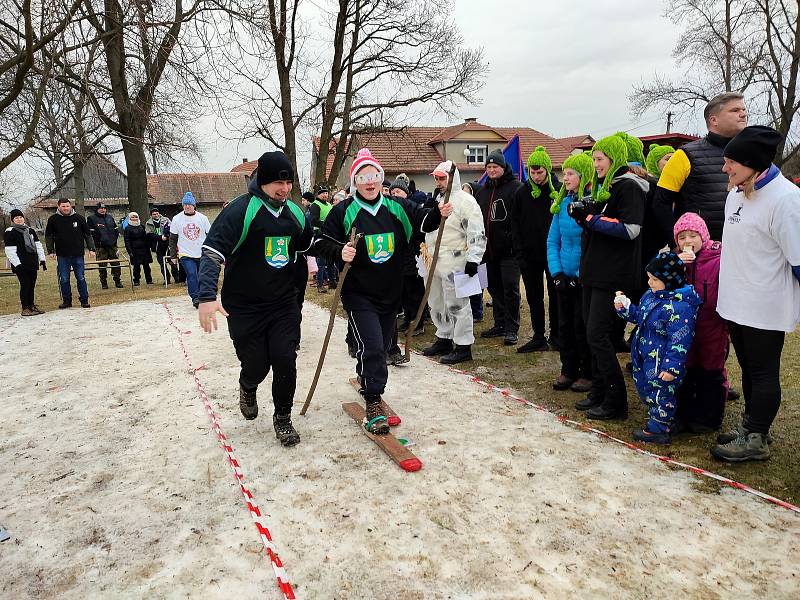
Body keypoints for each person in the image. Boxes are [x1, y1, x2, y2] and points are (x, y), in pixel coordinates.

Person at [315, 148, 451, 434]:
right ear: (355, 181)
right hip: (358, 293)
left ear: (381, 178)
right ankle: (374, 399)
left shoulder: (395, 206)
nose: (369, 182)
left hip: (390, 292)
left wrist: (438, 214)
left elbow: (423, 221)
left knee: (378, 344)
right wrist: (341, 251)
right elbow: (321, 242)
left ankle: (366, 374)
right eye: (363, 177)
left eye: (374, 176)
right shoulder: (344, 211)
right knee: (375, 347)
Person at [197, 151, 313, 447]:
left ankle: (283, 418)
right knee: (257, 365)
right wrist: (207, 296)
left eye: (288, 183)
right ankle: (248, 385)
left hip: (283, 304)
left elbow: (310, 246)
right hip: (245, 306)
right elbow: (212, 252)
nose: (285, 189)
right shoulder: (240, 211)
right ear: (262, 180)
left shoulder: (296, 213)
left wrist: (341, 252)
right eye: (278, 182)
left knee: (285, 359)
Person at [712, 125, 800, 462]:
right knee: (748, 368)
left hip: (766, 303)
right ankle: (752, 426)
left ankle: (757, 438)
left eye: (731, 162)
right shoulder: (737, 190)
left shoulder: (786, 199)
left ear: (754, 162)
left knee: (764, 372)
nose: (725, 168)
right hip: (736, 300)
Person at [568, 135, 646, 420]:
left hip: (612, 273)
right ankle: (600, 390)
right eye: (594, 159)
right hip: (594, 270)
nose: (596, 164)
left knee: (598, 335)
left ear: (614, 159)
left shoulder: (629, 186)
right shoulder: (606, 188)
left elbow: (630, 228)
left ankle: (616, 400)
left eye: (600, 159)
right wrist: (585, 213)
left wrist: (589, 219)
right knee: (591, 332)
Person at [614, 252, 700, 444]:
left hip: (662, 362)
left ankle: (659, 428)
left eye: (654, 279)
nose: (650, 282)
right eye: (649, 278)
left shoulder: (680, 307)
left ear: (669, 281)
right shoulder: (651, 296)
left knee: (661, 393)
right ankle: (667, 419)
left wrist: (671, 367)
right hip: (645, 355)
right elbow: (639, 317)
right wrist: (625, 308)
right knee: (647, 390)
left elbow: (680, 341)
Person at [653, 92, 748, 242]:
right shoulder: (684, 155)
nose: (743, 114)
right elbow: (660, 203)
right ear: (714, 120)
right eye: (735, 110)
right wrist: (676, 243)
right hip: (699, 253)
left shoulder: (750, 153)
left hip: (742, 247)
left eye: (743, 110)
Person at [420, 161, 486, 364]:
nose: (438, 182)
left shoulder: (466, 202)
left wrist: (474, 259)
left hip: (457, 261)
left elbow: (476, 232)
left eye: (442, 178)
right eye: (436, 178)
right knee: (437, 302)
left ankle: (464, 345)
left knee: (459, 304)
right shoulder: (436, 200)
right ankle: (444, 337)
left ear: (451, 178)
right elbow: (426, 227)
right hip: (433, 260)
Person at [672, 212, 729, 433]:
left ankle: (710, 417)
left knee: (711, 370)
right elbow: (656, 276)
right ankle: (683, 412)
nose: (688, 242)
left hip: (712, 324)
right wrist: (675, 264)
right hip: (683, 327)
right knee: (685, 368)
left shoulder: (717, 258)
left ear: (703, 236)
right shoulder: (674, 260)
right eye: (682, 237)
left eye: (693, 236)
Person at [547, 152, 593, 393]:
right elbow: (553, 241)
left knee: (582, 325)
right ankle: (568, 368)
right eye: (563, 173)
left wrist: (578, 274)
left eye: (570, 173)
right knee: (564, 325)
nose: (565, 178)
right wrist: (557, 273)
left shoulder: (592, 203)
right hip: (563, 276)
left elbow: (592, 243)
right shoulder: (562, 204)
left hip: (583, 277)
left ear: (583, 176)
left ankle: (587, 371)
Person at [512, 146, 560, 352]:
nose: (536, 176)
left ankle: (557, 335)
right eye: (533, 172)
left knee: (556, 296)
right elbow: (514, 224)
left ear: (548, 170)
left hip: (553, 254)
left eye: (540, 172)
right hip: (529, 255)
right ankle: (538, 335)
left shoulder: (558, 191)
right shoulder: (522, 193)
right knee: (534, 296)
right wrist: (519, 252)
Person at [475, 150, 524, 345]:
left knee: (510, 288)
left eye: (495, 167)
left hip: (509, 251)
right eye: (489, 167)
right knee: (494, 288)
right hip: (489, 250)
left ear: (503, 168)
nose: (492, 170)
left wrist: (513, 239)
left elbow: (521, 218)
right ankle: (500, 323)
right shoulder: (483, 190)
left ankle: (512, 328)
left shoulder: (516, 188)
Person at [45, 198, 96, 309]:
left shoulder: (79, 218)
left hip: (77, 254)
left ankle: (84, 300)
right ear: (58, 207)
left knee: (81, 277)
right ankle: (67, 301)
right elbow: (48, 236)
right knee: (64, 279)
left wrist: (91, 249)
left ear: (70, 206)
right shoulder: (53, 219)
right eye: (63, 206)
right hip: (62, 255)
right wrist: (50, 250)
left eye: (67, 206)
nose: (66, 208)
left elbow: (87, 235)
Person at [168, 192, 211, 307]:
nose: (187, 206)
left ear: (194, 205)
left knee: (202, 276)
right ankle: (195, 298)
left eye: (189, 204)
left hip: (201, 253)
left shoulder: (203, 218)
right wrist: (173, 256)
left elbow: (210, 236)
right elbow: (173, 239)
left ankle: (204, 296)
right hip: (185, 253)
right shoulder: (177, 219)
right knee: (192, 274)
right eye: (185, 204)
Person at [4, 209, 47, 316]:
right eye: (16, 218)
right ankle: (25, 307)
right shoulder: (10, 232)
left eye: (20, 217)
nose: (19, 219)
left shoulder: (30, 230)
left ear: (24, 218)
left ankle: (32, 305)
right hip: (20, 263)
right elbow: (10, 250)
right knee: (25, 284)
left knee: (32, 284)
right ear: (13, 220)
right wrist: (17, 264)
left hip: (32, 262)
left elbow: (38, 245)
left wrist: (42, 259)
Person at [87, 202, 123, 289]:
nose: (103, 210)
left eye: (104, 208)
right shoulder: (91, 218)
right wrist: (98, 242)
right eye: (101, 208)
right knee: (102, 266)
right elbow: (91, 234)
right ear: (97, 209)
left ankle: (117, 281)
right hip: (101, 247)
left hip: (112, 246)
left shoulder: (110, 217)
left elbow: (115, 229)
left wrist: (114, 240)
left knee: (116, 264)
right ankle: (104, 283)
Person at [309, 185, 338, 293]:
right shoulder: (315, 205)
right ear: (318, 194)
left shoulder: (330, 205)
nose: (325, 195)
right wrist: (326, 224)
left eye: (326, 193)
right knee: (321, 261)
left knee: (331, 259)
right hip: (319, 233)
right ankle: (320, 284)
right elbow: (313, 220)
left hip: (329, 234)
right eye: (323, 193)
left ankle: (332, 282)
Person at [146, 207, 177, 284]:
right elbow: (149, 234)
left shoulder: (166, 219)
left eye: (157, 213)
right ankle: (167, 279)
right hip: (157, 245)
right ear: (151, 215)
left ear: (159, 213)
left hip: (167, 244)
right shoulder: (148, 223)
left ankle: (177, 277)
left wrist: (167, 236)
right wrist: (160, 237)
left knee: (172, 261)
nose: (156, 215)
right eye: (154, 214)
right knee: (162, 264)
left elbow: (172, 228)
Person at [123, 212, 153, 285]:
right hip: (134, 249)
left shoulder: (142, 226)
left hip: (144, 249)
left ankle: (149, 279)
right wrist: (129, 251)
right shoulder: (127, 228)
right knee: (136, 266)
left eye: (136, 217)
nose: (134, 219)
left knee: (146, 265)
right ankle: (136, 280)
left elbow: (146, 237)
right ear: (129, 218)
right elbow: (127, 241)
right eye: (132, 217)